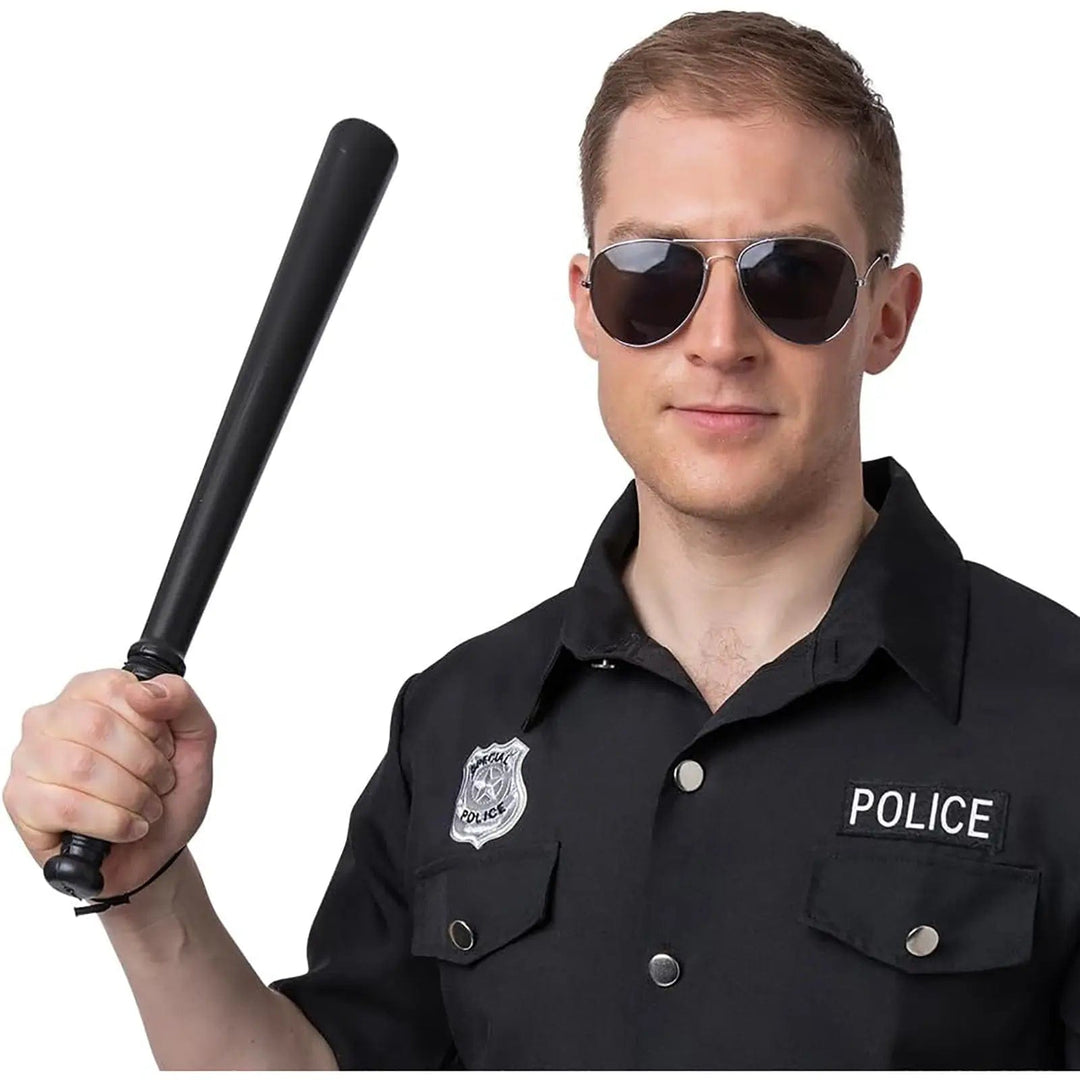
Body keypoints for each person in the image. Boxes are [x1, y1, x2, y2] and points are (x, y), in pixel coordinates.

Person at [7, 9, 1080, 1069]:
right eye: (653, 273)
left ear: (886, 317)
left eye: (792, 277)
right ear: (586, 305)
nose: (718, 341)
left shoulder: (1061, 715)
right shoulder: (457, 718)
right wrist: (147, 895)